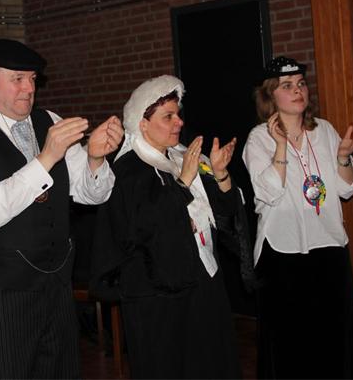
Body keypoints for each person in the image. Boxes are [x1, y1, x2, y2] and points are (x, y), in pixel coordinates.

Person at [0, 38, 124, 379]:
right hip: (0, 295)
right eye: (17, 79)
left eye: (32, 79)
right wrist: (47, 157)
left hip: (56, 287)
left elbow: (90, 195)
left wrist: (96, 159)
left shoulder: (50, 121)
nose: (29, 89)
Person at [90, 75, 254, 379]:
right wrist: (183, 183)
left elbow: (224, 217)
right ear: (143, 123)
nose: (179, 122)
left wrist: (220, 174)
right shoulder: (128, 171)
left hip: (203, 282)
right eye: (168, 116)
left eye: (178, 114)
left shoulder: (185, 158)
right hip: (158, 297)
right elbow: (141, 229)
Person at [242, 56, 353, 379]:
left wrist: (343, 157)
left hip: (327, 245)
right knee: (293, 343)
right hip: (283, 251)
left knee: (334, 337)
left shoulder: (324, 130)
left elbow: (347, 188)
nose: (298, 90)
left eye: (301, 83)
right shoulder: (258, 138)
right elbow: (269, 192)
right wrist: (280, 147)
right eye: (287, 86)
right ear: (270, 95)